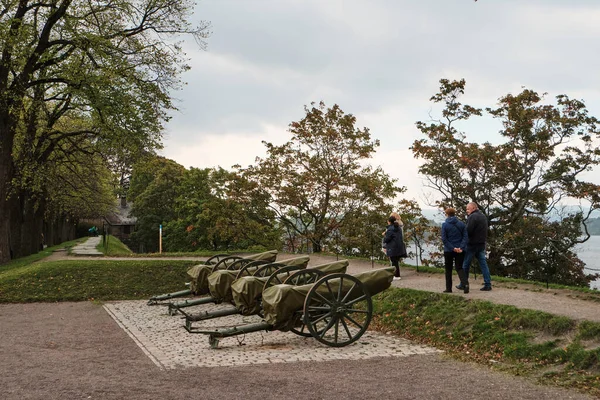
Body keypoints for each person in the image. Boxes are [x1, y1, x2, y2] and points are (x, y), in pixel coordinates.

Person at [460, 202, 492, 291]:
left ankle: (463, 283)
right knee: (483, 264)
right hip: (481, 244)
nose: (466, 211)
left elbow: (468, 231)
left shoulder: (472, 217)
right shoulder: (483, 216)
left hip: (472, 244)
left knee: (465, 264)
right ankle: (488, 284)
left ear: (473, 208)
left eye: (468, 209)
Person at [441, 207, 469, 293]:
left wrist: (452, 248)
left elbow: (444, 239)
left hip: (449, 250)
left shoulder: (445, 225)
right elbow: (465, 237)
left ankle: (448, 288)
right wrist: (461, 247)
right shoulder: (461, 224)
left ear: (447, 214)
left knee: (448, 269)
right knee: (459, 267)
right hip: (460, 250)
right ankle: (465, 284)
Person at [383, 215, 407, 280]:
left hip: (392, 248)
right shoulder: (398, 227)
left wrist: (385, 235)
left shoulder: (390, 229)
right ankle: (396, 275)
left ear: (389, 222)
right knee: (396, 261)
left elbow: (387, 239)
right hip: (399, 247)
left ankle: (396, 276)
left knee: (394, 262)